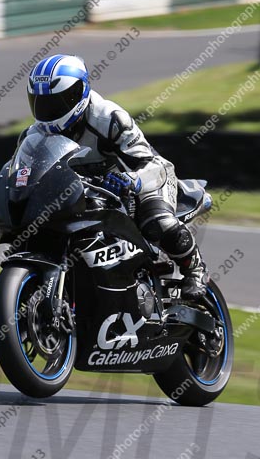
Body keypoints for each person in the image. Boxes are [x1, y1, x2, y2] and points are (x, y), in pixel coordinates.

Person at [23, 54, 209, 302]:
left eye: (55, 102)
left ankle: (194, 270)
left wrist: (134, 180)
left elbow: (150, 163)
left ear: (78, 93)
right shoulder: (33, 135)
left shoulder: (108, 117)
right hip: (87, 193)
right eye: (40, 103)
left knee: (158, 223)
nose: (47, 111)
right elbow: (22, 173)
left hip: (144, 180)